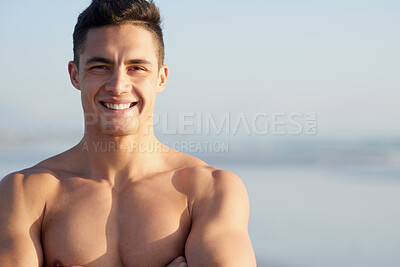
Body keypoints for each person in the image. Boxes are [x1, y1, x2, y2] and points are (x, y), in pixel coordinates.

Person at [0, 0, 256, 266]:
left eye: (137, 67)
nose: (118, 85)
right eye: (100, 67)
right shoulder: (23, 193)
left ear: (161, 78)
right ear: (75, 75)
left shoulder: (209, 190)